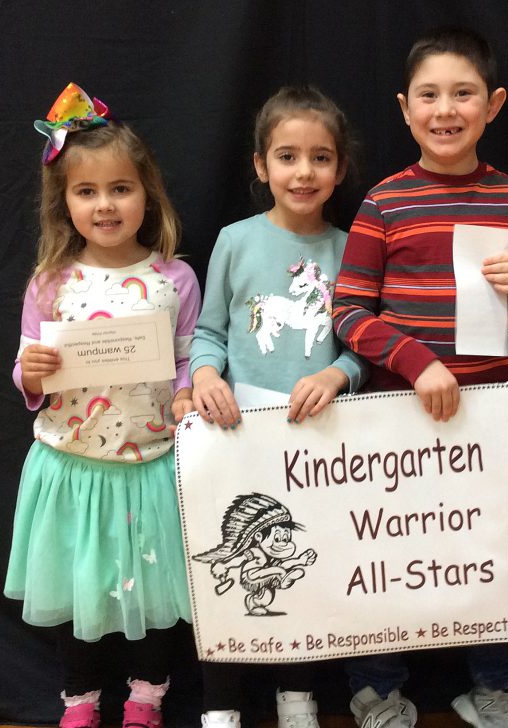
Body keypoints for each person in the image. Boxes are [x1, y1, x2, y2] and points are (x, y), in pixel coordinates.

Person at [331, 27, 508, 728]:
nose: (447, 109)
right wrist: (416, 361)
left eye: (463, 93)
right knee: (388, 550)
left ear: (494, 104)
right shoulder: (384, 202)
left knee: (493, 550)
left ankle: (498, 686)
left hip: (492, 414)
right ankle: (376, 688)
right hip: (395, 416)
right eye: (430, 95)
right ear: (405, 108)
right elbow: (347, 311)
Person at [5, 83, 201, 728]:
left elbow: (184, 361)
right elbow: (30, 366)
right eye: (87, 192)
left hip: (149, 465)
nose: (106, 204)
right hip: (72, 466)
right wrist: (30, 372)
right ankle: (82, 700)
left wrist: (186, 396)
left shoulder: (174, 279)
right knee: (78, 590)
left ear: (147, 194)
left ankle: (147, 697)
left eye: (121, 188)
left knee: (153, 594)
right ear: (65, 203)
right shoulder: (52, 281)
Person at [188, 85, 366, 728]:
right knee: (228, 561)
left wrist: (339, 375)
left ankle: (298, 696)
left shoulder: (352, 248)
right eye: (287, 156)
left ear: (340, 169)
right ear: (262, 165)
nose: (304, 171)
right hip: (235, 435)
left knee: (294, 563)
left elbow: (364, 345)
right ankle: (221, 704)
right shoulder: (235, 240)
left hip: (315, 440)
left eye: (321, 157)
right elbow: (207, 332)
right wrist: (206, 373)